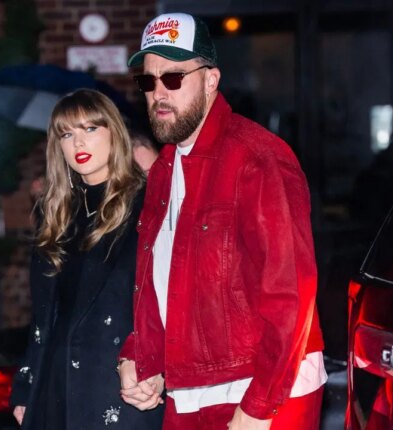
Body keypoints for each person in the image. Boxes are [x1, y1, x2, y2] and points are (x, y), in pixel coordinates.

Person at [117, 13, 326, 430]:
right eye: (148, 81)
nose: (159, 92)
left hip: (262, 391)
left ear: (211, 80)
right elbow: (160, 282)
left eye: (173, 77)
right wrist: (139, 356)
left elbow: (290, 294)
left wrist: (260, 405)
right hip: (188, 390)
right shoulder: (163, 169)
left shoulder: (258, 157)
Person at [10, 89, 164, 429]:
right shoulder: (56, 214)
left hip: (120, 384)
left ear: (114, 133)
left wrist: (156, 364)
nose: (78, 142)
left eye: (90, 129)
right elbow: (45, 316)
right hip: (56, 383)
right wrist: (26, 386)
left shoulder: (148, 204)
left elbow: (168, 299)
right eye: (67, 134)